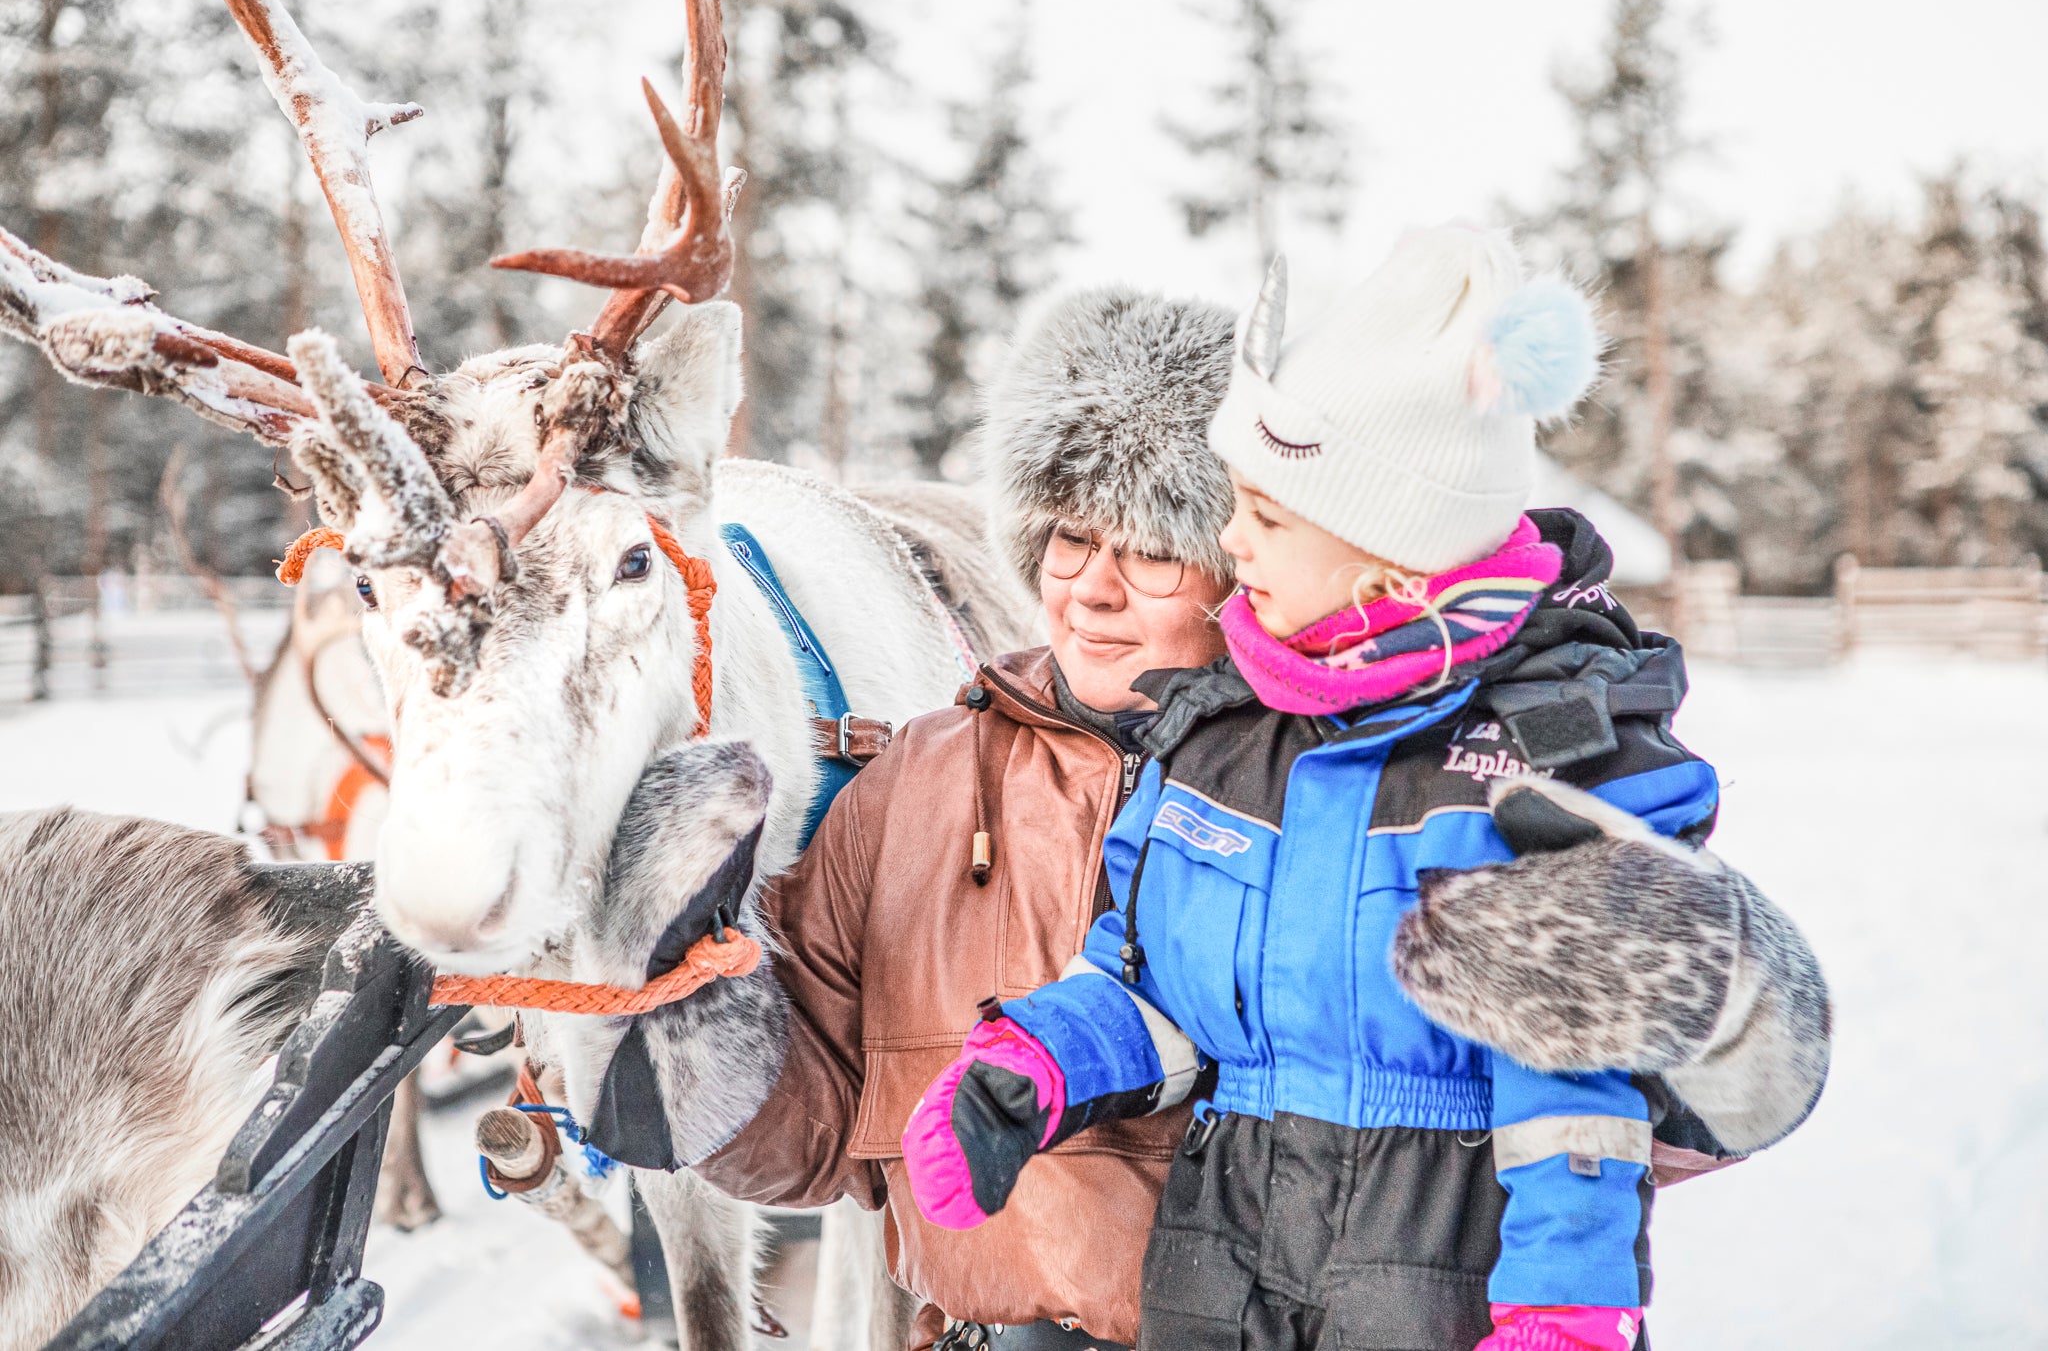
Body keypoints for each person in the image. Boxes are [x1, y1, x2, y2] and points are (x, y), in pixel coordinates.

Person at [599, 281, 1832, 1351]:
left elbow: (1643, 1110)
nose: (1088, 587)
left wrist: (1708, 982)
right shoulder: (918, 780)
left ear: (1243, 571)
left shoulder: (1371, 766)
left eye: (1147, 552)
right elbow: (821, 1125)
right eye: (1067, 539)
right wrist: (688, 1013)